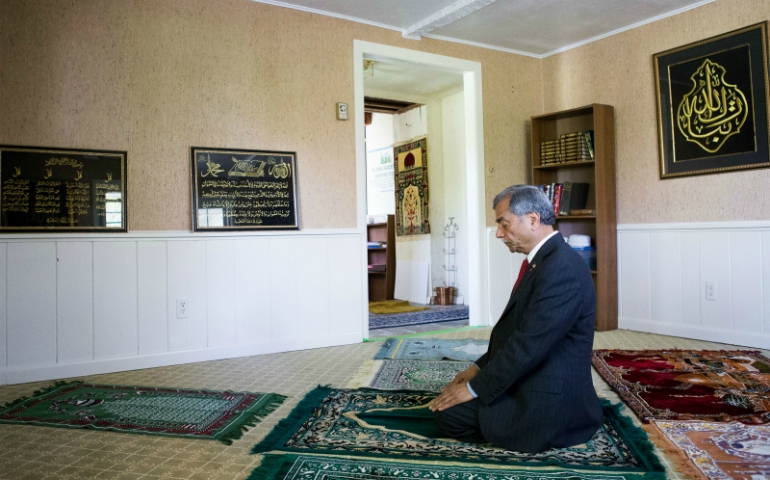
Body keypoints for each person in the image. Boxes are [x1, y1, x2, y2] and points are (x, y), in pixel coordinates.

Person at [430, 184, 602, 453]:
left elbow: (528, 345)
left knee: (447, 416)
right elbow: (517, 333)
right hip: (538, 376)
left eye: (504, 224)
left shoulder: (561, 269)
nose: (499, 233)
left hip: (552, 402)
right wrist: (477, 368)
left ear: (532, 220)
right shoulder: (546, 260)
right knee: (449, 406)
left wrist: (475, 388)